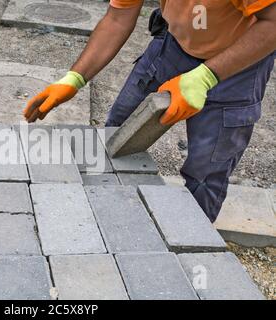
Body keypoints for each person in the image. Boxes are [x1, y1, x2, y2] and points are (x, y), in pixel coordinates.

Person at [24, 0, 276, 223]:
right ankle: (102, 214)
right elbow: (117, 18)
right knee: (117, 134)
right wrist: (74, 78)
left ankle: (185, 252)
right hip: (173, 46)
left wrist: (206, 76)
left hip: (238, 67)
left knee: (205, 174)